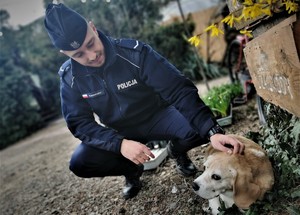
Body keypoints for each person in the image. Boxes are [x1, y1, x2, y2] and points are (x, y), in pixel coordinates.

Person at [44, 3, 244, 200]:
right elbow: (80, 123)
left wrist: (212, 131)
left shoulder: (135, 54)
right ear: (65, 54)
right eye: (79, 54)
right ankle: (131, 171)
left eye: (90, 44)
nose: (92, 55)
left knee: (199, 129)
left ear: (93, 28)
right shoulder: (69, 78)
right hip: (120, 130)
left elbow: (178, 90)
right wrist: (120, 144)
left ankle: (177, 150)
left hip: (159, 116)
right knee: (80, 162)